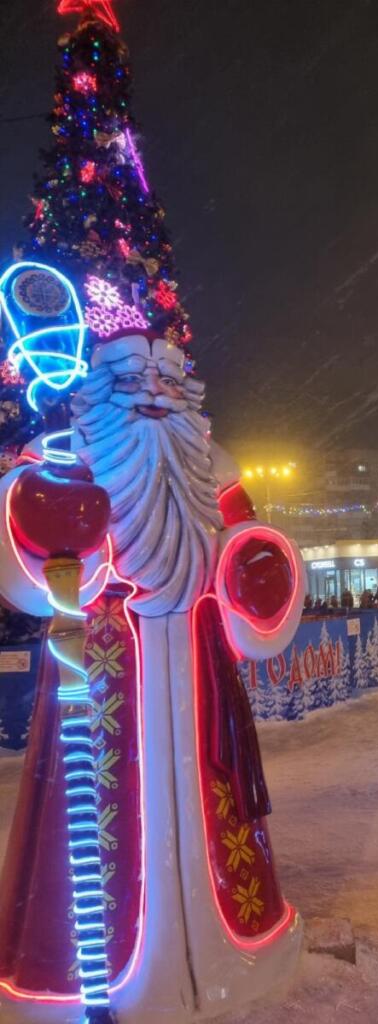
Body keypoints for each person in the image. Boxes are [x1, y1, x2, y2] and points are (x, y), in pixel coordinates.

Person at [0, 329, 306, 1019]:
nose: (157, 392)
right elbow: (22, 541)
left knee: (211, 808)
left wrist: (258, 579)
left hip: (199, 666)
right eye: (138, 378)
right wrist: (37, 523)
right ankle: (89, 976)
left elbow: (243, 547)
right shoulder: (69, 453)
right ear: (105, 385)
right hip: (107, 667)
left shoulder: (212, 464)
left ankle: (226, 948)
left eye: (169, 379)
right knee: (104, 816)